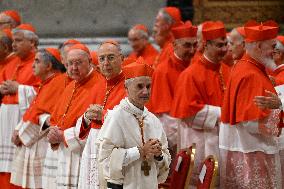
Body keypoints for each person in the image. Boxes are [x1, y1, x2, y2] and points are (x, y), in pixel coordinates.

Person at [220, 20, 282, 188]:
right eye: (272, 46)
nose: (275, 51)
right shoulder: (251, 75)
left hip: (248, 150)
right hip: (253, 154)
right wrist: (279, 108)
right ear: (258, 47)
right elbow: (253, 124)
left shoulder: (246, 67)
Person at [170, 21, 228, 186]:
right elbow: (189, 112)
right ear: (206, 45)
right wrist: (224, 113)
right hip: (201, 141)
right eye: (219, 45)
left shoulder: (227, 69)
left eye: (225, 44)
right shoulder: (190, 74)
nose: (224, 49)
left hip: (223, 139)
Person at [98, 60, 170, 189]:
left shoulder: (153, 120)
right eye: (139, 86)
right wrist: (140, 151)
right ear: (126, 88)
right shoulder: (116, 117)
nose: (145, 91)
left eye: (148, 86)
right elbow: (105, 159)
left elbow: (164, 163)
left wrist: (159, 155)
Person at [43, 43, 102, 188]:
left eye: (78, 63)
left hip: (82, 153)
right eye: (70, 64)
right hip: (65, 152)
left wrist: (62, 136)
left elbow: (93, 126)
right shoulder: (71, 86)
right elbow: (57, 118)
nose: (74, 68)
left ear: (89, 62)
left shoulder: (99, 84)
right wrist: (52, 132)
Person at [10, 48, 66, 188]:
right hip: (37, 140)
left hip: (44, 143)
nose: (32, 65)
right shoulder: (46, 83)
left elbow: (48, 117)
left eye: (37, 61)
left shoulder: (58, 82)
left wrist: (22, 134)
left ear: (48, 66)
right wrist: (19, 130)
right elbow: (34, 111)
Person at [77, 40, 127, 189]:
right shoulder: (97, 85)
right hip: (93, 147)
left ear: (122, 58)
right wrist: (87, 117)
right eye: (102, 58)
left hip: (115, 151)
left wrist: (104, 115)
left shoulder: (129, 85)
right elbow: (85, 122)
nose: (106, 63)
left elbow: (131, 120)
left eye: (111, 57)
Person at [0, 23, 40, 188]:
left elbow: (44, 92)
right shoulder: (11, 63)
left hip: (23, 118)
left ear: (32, 43)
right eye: (13, 41)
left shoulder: (39, 62)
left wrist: (19, 88)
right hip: (6, 116)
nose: (13, 45)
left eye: (18, 41)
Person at [149, 21, 197, 153]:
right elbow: (166, 118)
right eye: (187, 45)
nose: (192, 50)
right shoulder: (163, 71)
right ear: (175, 45)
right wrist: (186, 142)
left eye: (195, 45)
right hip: (180, 141)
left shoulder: (197, 65)